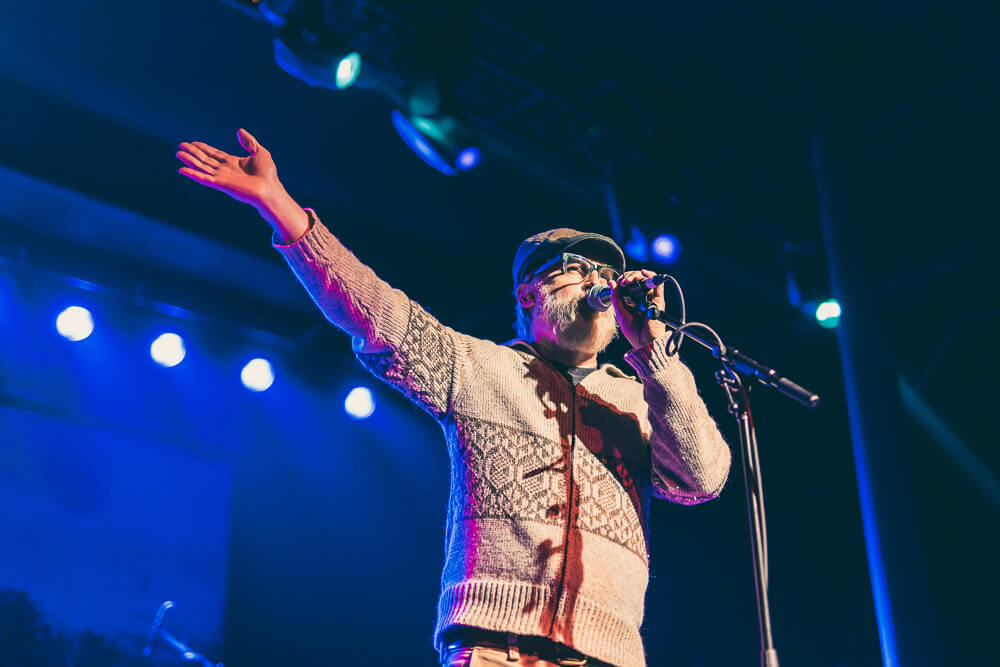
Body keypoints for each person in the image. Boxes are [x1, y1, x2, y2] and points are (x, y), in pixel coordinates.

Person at [177, 129, 732, 667]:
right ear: (528, 294)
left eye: (605, 273)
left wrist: (656, 356)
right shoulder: (477, 368)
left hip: (608, 656)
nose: (596, 282)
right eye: (575, 270)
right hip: (496, 646)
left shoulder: (641, 398)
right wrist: (277, 203)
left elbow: (702, 479)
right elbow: (374, 312)